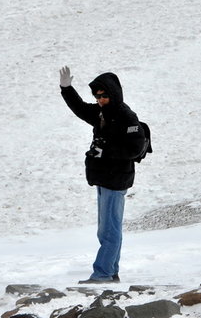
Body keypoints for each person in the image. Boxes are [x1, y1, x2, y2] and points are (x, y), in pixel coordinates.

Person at [59, 65, 146, 284]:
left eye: (104, 95)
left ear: (114, 94)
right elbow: (79, 108)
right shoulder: (101, 113)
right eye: (97, 96)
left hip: (116, 179)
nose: (100, 99)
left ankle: (103, 274)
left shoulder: (126, 117)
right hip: (103, 177)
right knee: (106, 229)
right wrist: (66, 88)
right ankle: (111, 271)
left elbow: (133, 149)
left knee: (109, 230)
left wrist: (105, 151)